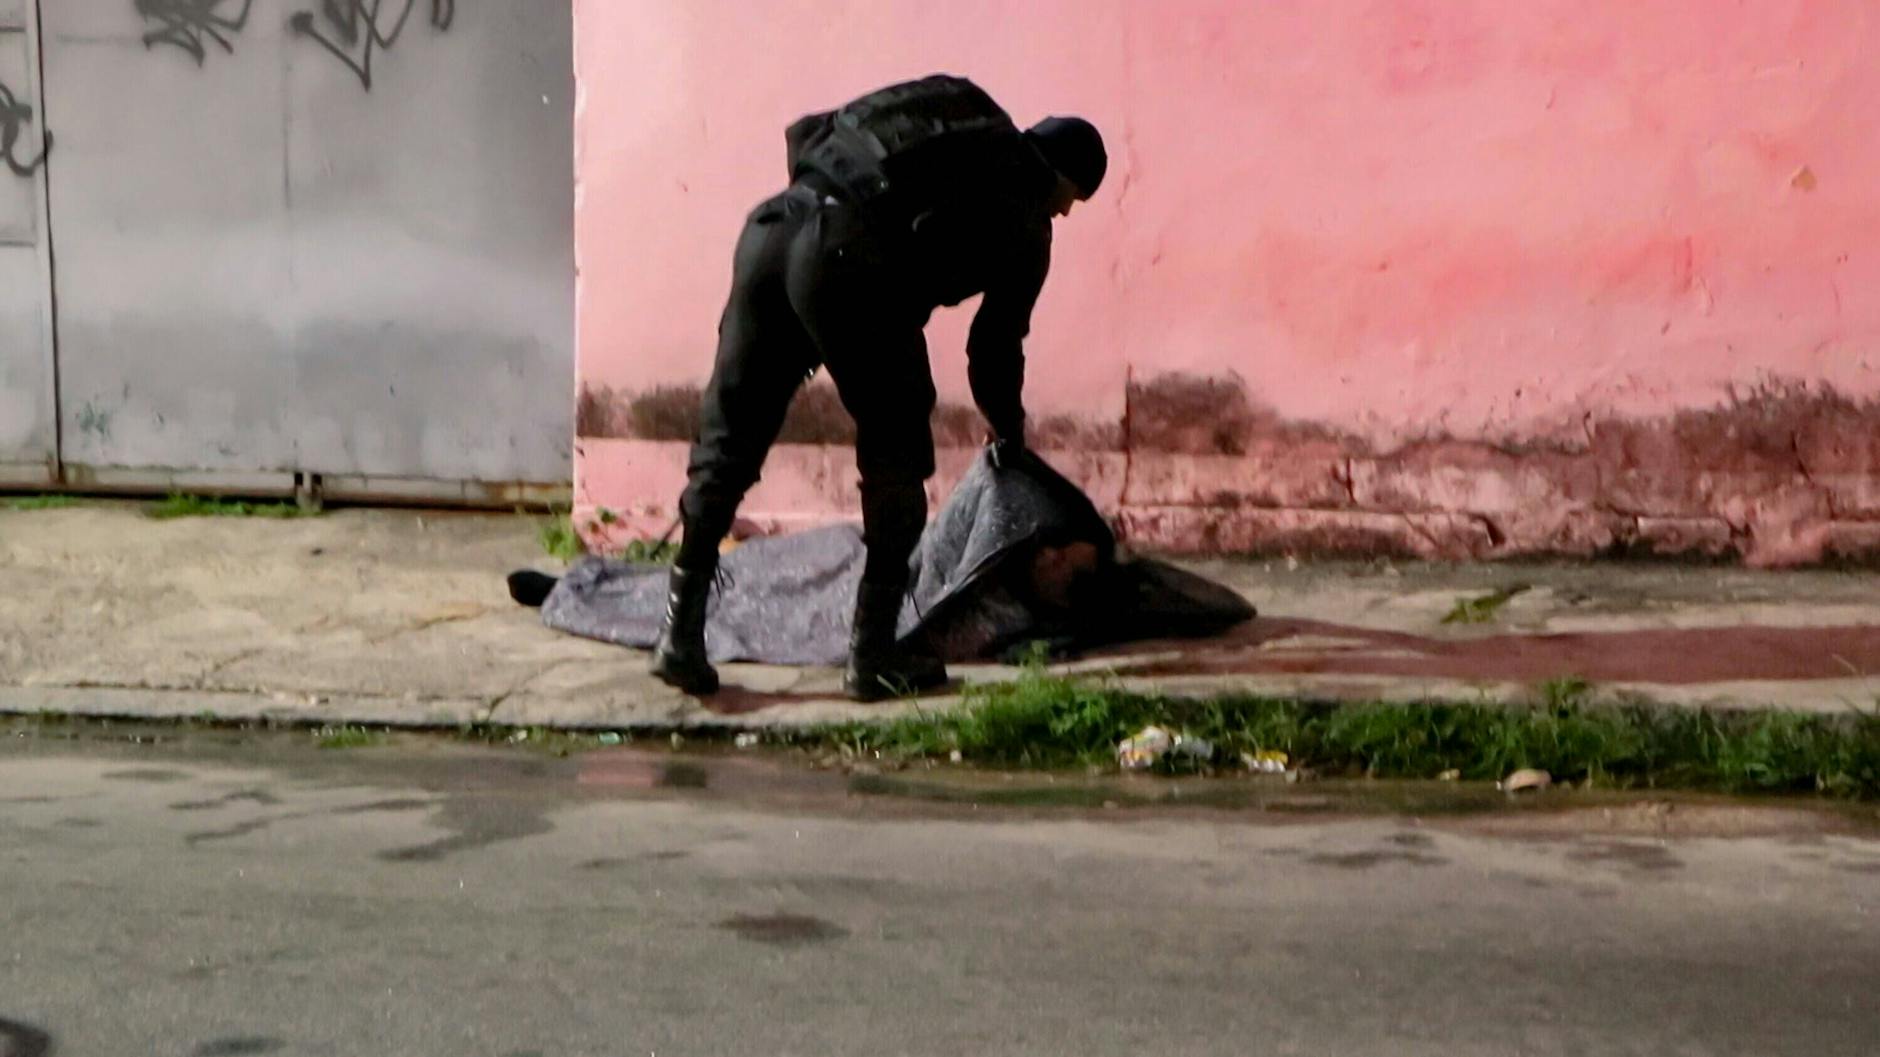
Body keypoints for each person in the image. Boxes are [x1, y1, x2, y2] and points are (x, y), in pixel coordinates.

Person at [650, 74, 1107, 702]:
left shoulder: (960, 124)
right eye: (1073, 198)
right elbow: (995, 348)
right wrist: (1008, 429)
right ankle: (872, 655)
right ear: (1063, 177)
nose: (1065, 212)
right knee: (897, 451)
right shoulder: (1026, 210)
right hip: (846, 258)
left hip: (772, 228)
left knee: (729, 438)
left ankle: (678, 635)